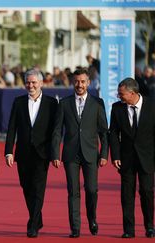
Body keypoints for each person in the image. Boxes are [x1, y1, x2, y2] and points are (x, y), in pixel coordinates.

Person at [51, 68, 108, 238]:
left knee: (91, 190)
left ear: (88, 83)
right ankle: (75, 227)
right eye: (76, 81)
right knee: (73, 191)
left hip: (91, 153)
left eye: (83, 81)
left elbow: (104, 132)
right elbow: (56, 131)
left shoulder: (98, 103)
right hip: (70, 155)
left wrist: (104, 154)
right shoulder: (64, 103)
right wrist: (55, 154)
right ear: (72, 83)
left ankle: (92, 218)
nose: (79, 85)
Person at [4, 69, 58, 238]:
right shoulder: (18, 102)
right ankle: (38, 217)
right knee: (26, 187)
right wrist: (8, 152)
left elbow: (55, 130)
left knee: (38, 188)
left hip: (42, 152)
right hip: (23, 152)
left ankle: (33, 224)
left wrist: (54, 152)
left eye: (34, 82)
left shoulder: (51, 103)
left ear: (41, 83)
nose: (31, 85)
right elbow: (12, 127)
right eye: (28, 82)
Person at [109, 78, 155, 238]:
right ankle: (129, 229)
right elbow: (113, 133)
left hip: (147, 158)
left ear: (132, 93)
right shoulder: (117, 108)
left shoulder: (152, 106)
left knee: (147, 192)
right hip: (126, 158)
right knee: (127, 194)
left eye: (121, 94)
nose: (118, 96)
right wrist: (115, 155)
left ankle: (150, 226)